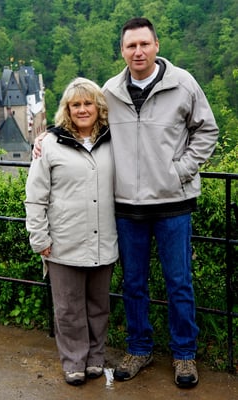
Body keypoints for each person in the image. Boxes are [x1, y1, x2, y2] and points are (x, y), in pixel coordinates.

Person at [33, 17, 219, 388]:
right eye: (131, 46)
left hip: (173, 204)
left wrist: (180, 171)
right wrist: (46, 137)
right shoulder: (111, 90)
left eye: (144, 44)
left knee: (178, 283)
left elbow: (207, 130)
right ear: (122, 50)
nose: (138, 51)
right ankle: (139, 348)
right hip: (127, 207)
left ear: (156, 45)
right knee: (133, 283)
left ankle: (184, 355)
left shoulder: (183, 84)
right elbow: (84, 121)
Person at [25, 77, 118, 386]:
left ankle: (95, 358)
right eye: (75, 104)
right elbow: (35, 196)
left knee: (98, 306)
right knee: (68, 309)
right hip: (63, 242)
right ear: (66, 109)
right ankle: (74, 361)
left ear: (98, 107)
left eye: (88, 103)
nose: (82, 109)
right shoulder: (50, 145)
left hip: (103, 239)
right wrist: (39, 238)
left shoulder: (111, 140)